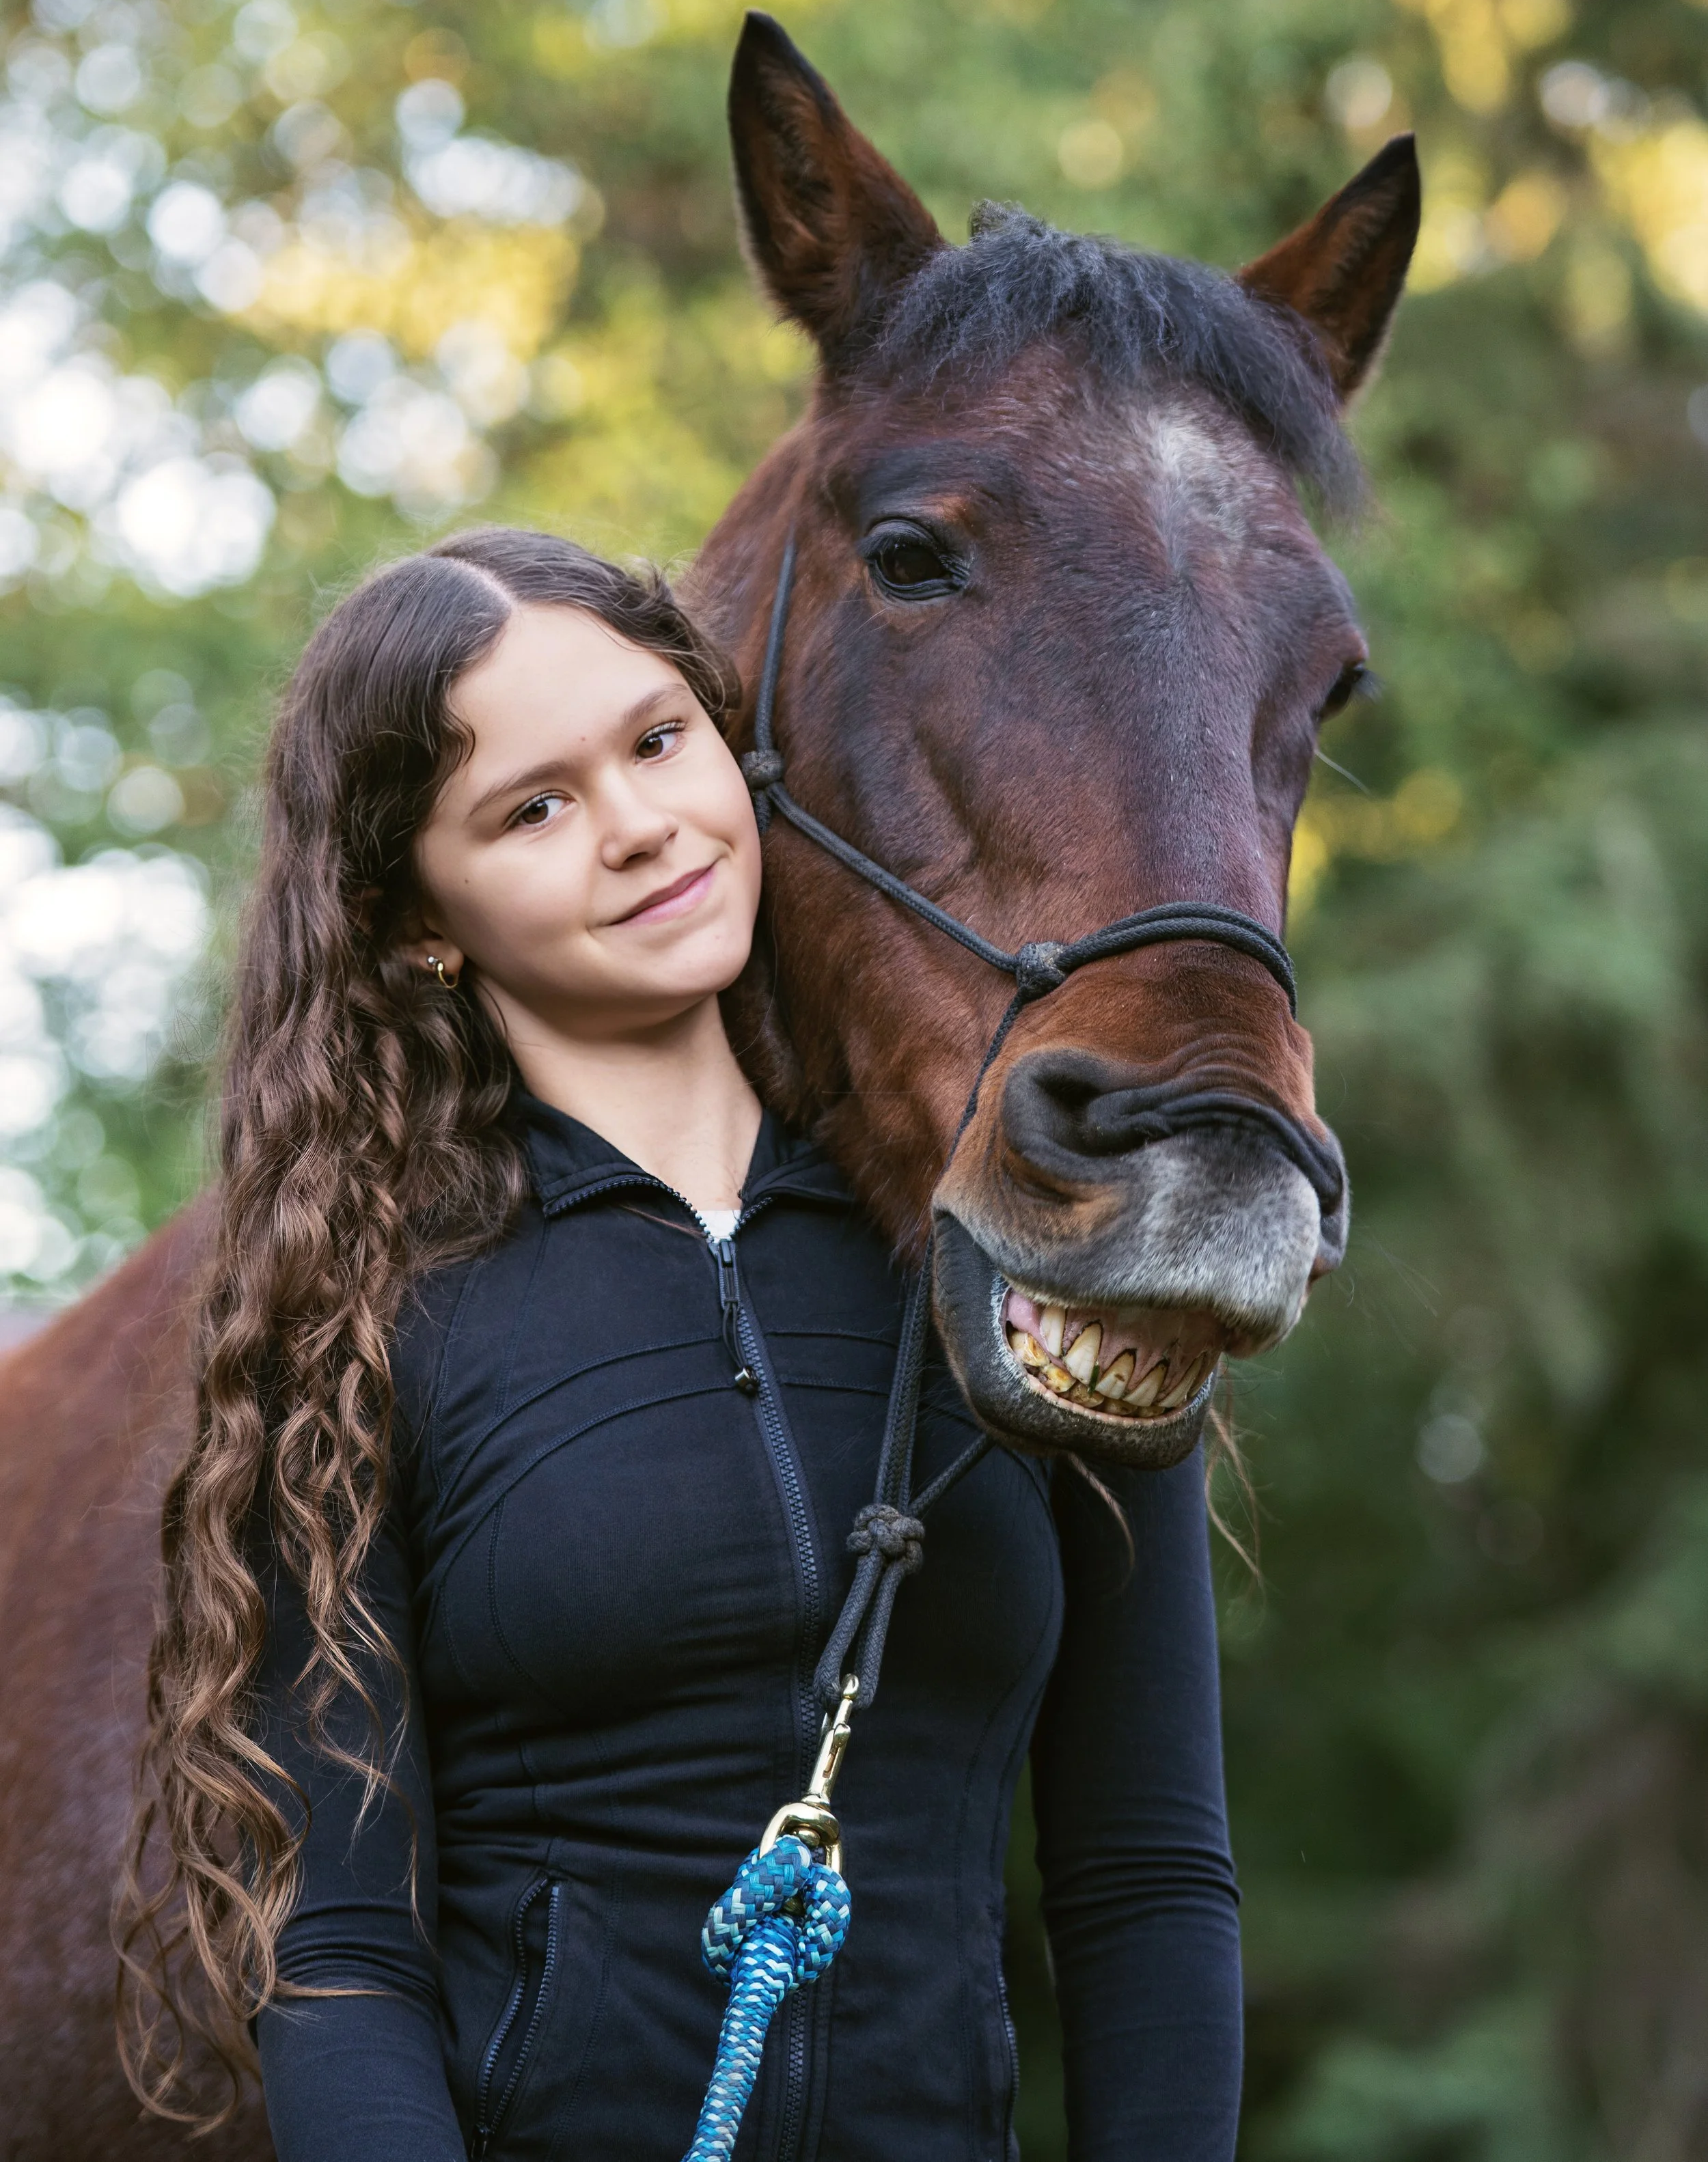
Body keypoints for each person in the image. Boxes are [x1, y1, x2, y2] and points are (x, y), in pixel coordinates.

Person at [117, 525, 1242, 2161]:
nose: (640, 828)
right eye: (534, 807)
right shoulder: (350, 1331)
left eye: (657, 741)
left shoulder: (1023, 1241)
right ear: (417, 918)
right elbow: (342, 1959)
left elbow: (1146, 1875)